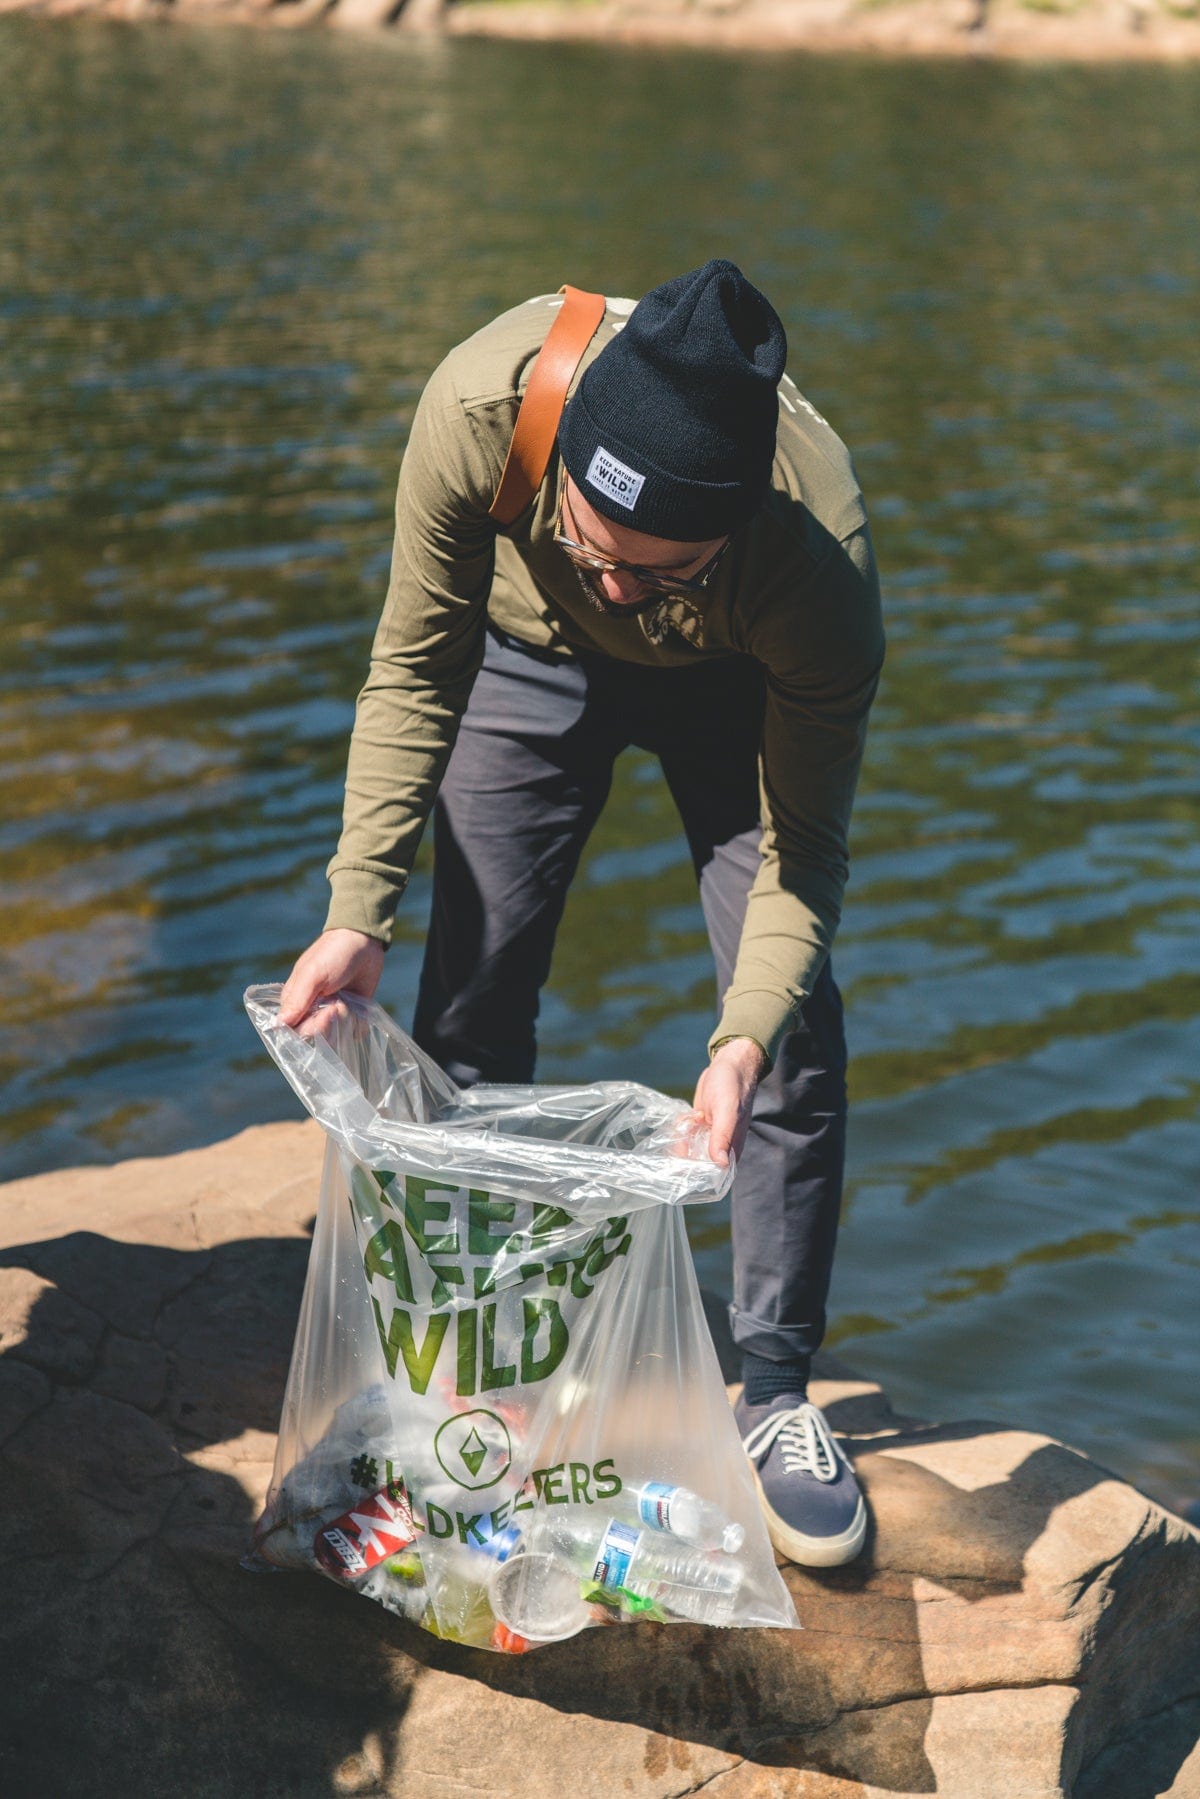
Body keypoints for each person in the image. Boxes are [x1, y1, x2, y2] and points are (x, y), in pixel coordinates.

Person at [280, 260, 884, 1568]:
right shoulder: (479, 408)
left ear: (728, 538)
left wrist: (737, 1040)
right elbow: (413, 663)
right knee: (471, 993)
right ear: (559, 474)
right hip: (519, 655)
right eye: (596, 549)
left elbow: (805, 849)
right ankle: (460, 1380)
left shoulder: (813, 566)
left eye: (655, 568)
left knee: (786, 1029)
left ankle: (775, 1392)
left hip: (730, 685)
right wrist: (357, 904)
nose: (617, 585)